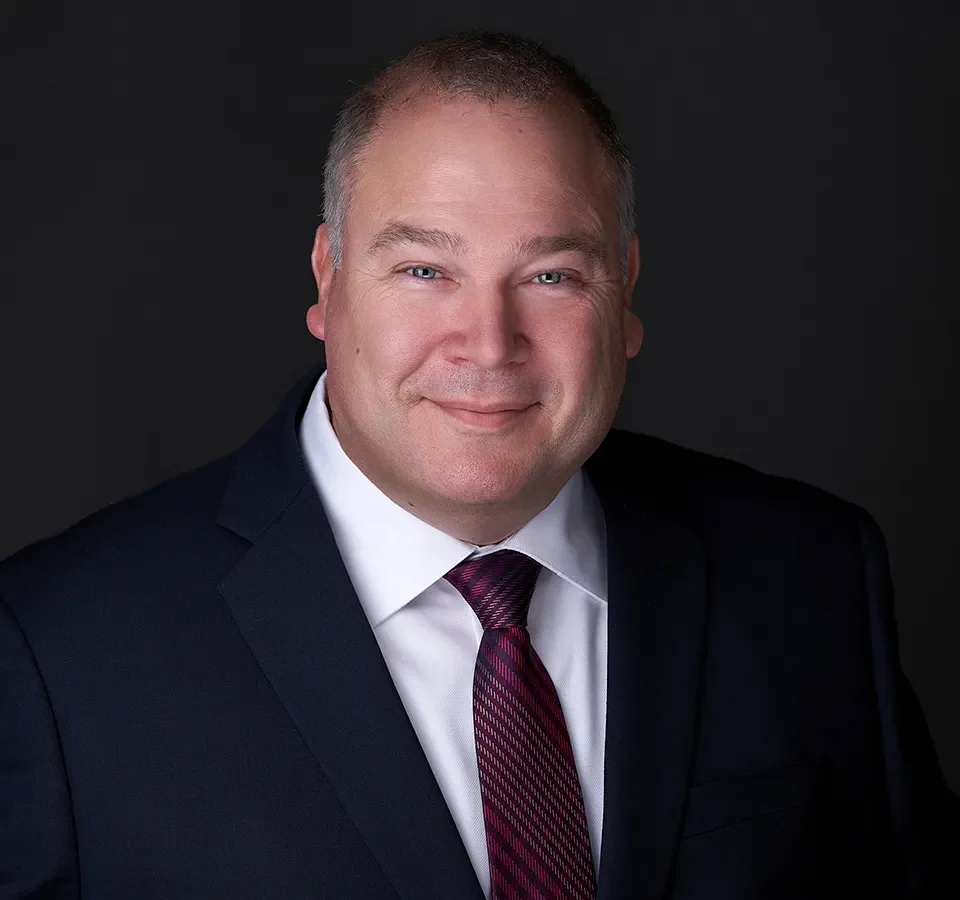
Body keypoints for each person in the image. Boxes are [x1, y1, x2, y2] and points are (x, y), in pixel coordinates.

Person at [0, 30, 955, 900]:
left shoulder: (812, 579)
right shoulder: (54, 654)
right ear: (328, 284)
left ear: (623, 294)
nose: (489, 343)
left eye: (550, 275)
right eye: (424, 269)